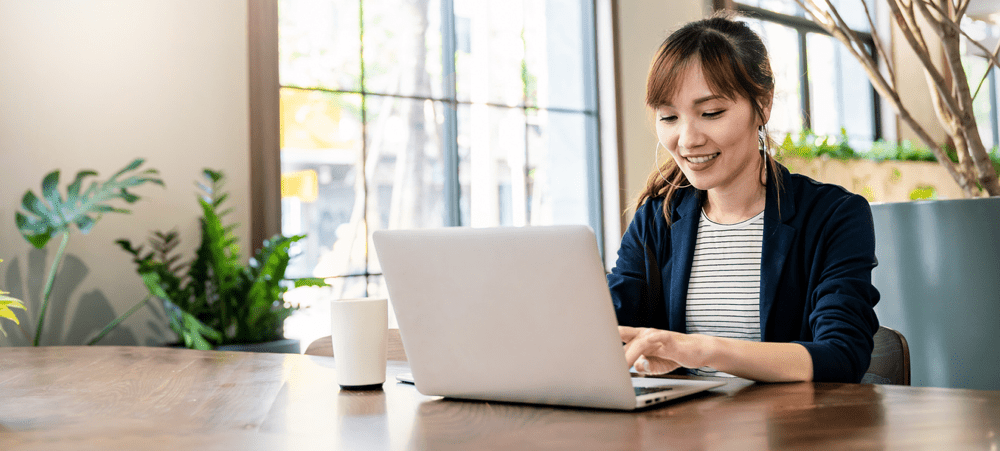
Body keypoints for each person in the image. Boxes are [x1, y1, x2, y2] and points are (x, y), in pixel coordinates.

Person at [608, 13, 880, 383]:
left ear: (763, 104)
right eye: (669, 117)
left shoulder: (833, 216)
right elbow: (605, 328)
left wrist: (702, 349)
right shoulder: (658, 219)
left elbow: (841, 354)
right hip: (684, 433)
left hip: (791, 434)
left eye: (711, 113)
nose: (687, 140)